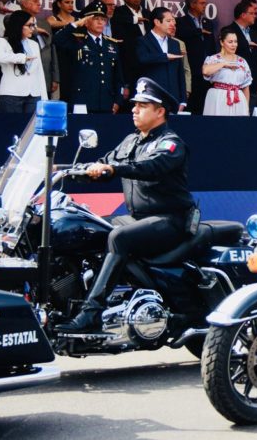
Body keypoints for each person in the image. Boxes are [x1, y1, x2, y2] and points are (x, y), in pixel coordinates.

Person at [56, 77, 195, 334]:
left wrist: (112, 168)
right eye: (134, 105)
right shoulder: (132, 141)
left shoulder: (170, 143)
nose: (134, 109)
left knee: (118, 237)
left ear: (160, 111)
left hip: (170, 220)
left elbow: (150, 167)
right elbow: (104, 162)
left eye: (142, 105)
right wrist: (66, 170)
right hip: (139, 218)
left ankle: (92, 314)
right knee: (89, 229)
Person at [53, 1, 126, 113]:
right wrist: (76, 24)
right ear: (86, 22)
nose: (100, 22)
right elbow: (57, 40)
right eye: (96, 19)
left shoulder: (112, 44)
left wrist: (117, 101)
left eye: (103, 19)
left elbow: (118, 77)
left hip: (106, 103)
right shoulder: (77, 40)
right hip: (82, 102)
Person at [0, 10, 47, 112]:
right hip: (11, 95)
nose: (33, 28)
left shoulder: (34, 44)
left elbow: (39, 72)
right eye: (29, 25)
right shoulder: (3, 41)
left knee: (31, 127)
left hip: (34, 95)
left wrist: (44, 98)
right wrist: (22, 58)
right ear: (19, 25)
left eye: (34, 25)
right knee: (10, 126)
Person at [136, 7, 186, 109]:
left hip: (173, 98)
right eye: (168, 21)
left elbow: (180, 73)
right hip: (151, 97)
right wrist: (165, 56)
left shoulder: (175, 44)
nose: (173, 24)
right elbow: (143, 59)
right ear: (157, 22)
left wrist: (183, 100)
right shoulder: (143, 41)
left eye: (173, 21)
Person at [175, 0, 216, 114]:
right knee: (191, 106)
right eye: (202, 3)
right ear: (192, 4)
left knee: (205, 106)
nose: (205, 6)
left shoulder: (207, 23)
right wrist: (199, 31)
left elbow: (212, 46)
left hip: (207, 72)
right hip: (191, 71)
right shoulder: (181, 22)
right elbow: (182, 35)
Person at [112, 0, 152, 96]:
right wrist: (135, 19)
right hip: (128, 62)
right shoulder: (119, 12)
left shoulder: (147, 13)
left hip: (147, 62)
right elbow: (117, 20)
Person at [18, 0, 59, 98]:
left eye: (39, 0)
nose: (39, 3)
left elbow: (52, 50)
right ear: (25, 4)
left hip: (46, 75)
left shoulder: (44, 23)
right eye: (35, 0)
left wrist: (55, 78)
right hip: (25, 75)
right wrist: (35, 30)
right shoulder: (14, 20)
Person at [202, 27, 252, 116]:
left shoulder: (242, 61)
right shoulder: (214, 59)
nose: (234, 45)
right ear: (222, 42)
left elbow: (246, 87)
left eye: (235, 41)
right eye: (230, 42)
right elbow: (205, 71)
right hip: (219, 97)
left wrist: (246, 108)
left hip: (238, 99)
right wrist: (223, 64)